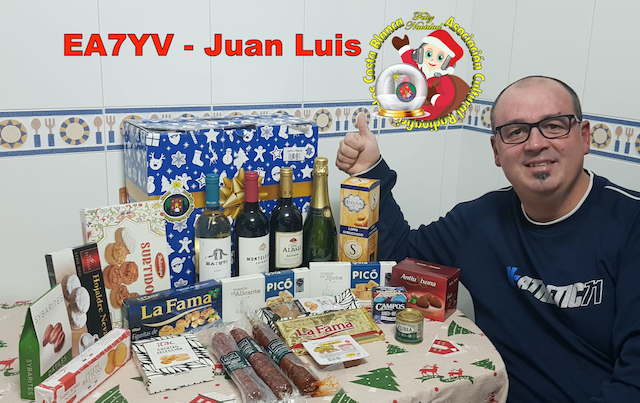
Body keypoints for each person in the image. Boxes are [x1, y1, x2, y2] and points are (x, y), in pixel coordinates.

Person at [336, 76, 640, 402]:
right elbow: (401, 259)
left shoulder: (631, 225)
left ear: (584, 137)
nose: (535, 143)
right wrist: (372, 173)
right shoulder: (481, 219)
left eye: (553, 126)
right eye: (516, 131)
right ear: (497, 151)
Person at [391, 30, 469, 119]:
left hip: (427, 114)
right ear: (420, 53)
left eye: (439, 57)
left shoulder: (444, 80)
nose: (432, 60)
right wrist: (403, 47)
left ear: (446, 62)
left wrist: (433, 97)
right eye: (429, 54)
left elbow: (447, 98)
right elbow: (410, 62)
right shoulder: (418, 71)